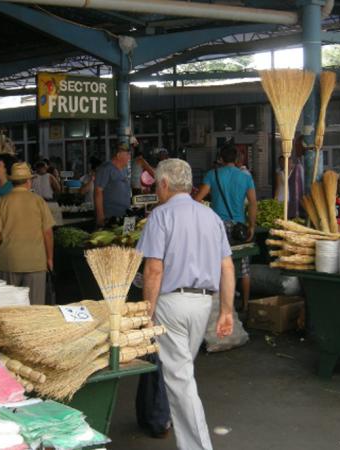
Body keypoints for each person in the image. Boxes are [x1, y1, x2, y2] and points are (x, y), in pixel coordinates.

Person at [137, 158, 235, 450]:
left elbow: (154, 270)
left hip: (171, 305)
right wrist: (226, 310)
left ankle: (198, 446)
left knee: (181, 381)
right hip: (202, 304)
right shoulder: (211, 217)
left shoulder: (160, 215)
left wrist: (146, 314)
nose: (157, 191)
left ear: (165, 183)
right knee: (182, 374)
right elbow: (227, 267)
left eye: (157, 185)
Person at [194, 144, 257, 312]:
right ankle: (245, 305)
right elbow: (253, 203)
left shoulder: (212, 175)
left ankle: (221, 306)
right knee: (244, 268)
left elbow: (197, 200)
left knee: (218, 266)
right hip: (239, 227)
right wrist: (252, 225)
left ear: (220, 159)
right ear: (237, 159)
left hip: (218, 227)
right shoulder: (245, 177)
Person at [0, 162, 55, 305]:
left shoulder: (3, 201)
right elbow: (48, 233)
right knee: (35, 308)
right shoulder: (38, 201)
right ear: (28, 181)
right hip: (35, 262)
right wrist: (50, 258)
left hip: (9, 261)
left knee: (10, 308)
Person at [95, 145, 132, 227]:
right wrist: (100, 216)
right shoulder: (106, 168)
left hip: (125, 214)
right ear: (118, 155)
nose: (129, 157)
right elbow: (98, 191)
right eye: (127, 154)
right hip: (110, 216)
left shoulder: (125, 169)